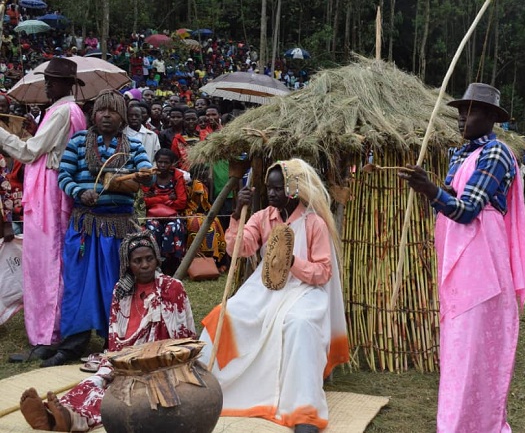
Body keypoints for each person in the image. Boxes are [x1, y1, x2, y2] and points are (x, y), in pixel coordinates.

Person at [399, 83, 525, 433]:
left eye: (470, 111)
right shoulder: (461, 154)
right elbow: (451, 199)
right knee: (457, 347)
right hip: (458, 257)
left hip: (482, 260)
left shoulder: (497, 153)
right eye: (460, 111)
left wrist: (430, 190)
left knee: (476, 348)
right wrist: (429, 190)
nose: (461, 118)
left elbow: (468, 208)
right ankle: (455, 424)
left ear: (490, 117)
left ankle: (479, 424)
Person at [199, 158, 349, 433]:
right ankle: (210, 390)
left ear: (294, 189)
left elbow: (323, 271)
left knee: (298, 324)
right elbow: (239, 250)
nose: (271, 193)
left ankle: (303, 409)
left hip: (305, 291)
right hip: (265, 289)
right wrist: (235, 216)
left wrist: (292, 262)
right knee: (225, 315)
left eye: (278, 189)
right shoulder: (262, 217)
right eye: (269, 188)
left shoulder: (314, 223)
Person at [18, 231, 196, 432]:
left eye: (149, 258)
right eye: (137, 260)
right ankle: (55, 415)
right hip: (123, 359)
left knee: (117, 394)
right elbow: (114, 338)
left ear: (157, 259)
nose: (145, 265)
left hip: (160, 363)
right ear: (128, 264)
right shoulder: (121, 291)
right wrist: (118, 364)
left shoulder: (173, 288)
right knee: (93, 382)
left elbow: (185, 337)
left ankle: (71, 420)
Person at [46, 90, 154, 367]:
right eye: (101, 110)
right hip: (85, 226)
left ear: (123, 118)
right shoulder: (79, 141)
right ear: (93, 115)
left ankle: (115, 341)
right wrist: (80, 194)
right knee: (78, 285)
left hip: (118, 229)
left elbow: (146, 174)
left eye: (113, 111)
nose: (106, 115)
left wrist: (142, 175)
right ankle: (72, 345)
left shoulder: (133, 145)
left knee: (114, 285)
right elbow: (64, 175)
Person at [3, 57, 87, 363]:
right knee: (48, 262)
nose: (47, 85)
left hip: (49, 195)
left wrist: (2, 133)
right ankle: (49, 333)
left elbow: (30, 151)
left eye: (52, 81)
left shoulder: (64, 110)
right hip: (48, 192)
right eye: (47, 80)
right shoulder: (65, 111)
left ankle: (48, 337)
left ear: (68, 85)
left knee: (47, 265)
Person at [143, 148, 188, 275]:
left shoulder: (177, 176)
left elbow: (182, 202)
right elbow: (144, 201)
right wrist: (168, 198)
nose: (162, 165)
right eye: (159, 162)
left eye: (166, 162)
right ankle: (156, 263)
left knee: (174, 227)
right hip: (153, 215)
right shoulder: (150, 176)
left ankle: (172, 264)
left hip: (173, 215)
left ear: (172, 163)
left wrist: (155, 199)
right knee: (153, 227)